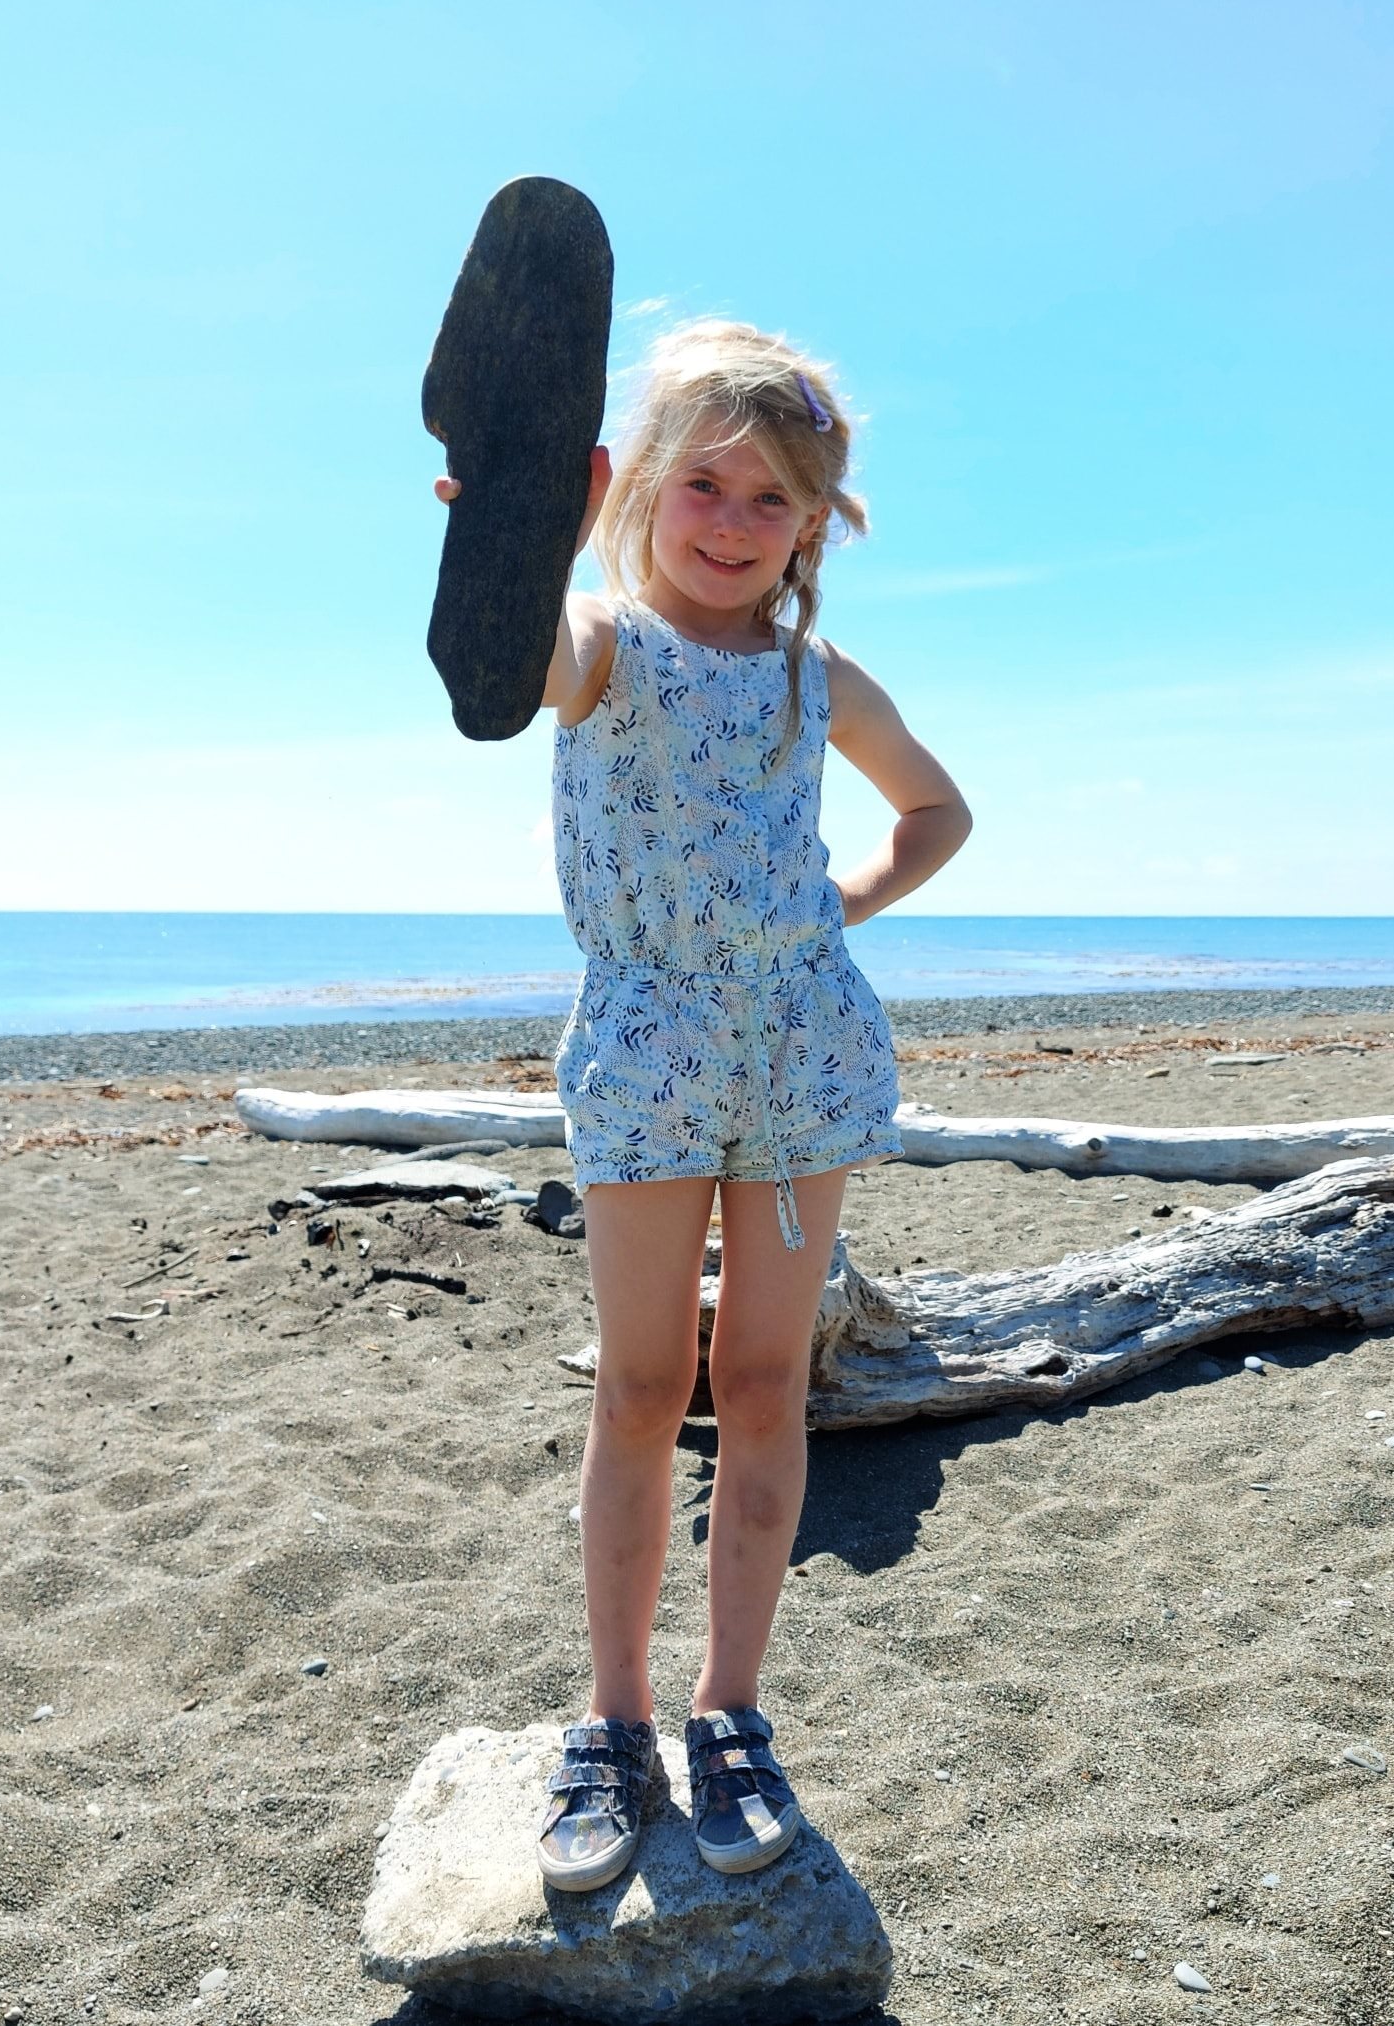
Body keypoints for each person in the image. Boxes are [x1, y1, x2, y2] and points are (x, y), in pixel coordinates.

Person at [434, 319, 970, 1890]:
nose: (734, 524)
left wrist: (829, 915)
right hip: (647, 1052)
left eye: (771, 500)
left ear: (813, 524)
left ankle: (730, 1709)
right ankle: (609, 1720)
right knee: (636, 1381)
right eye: (708, 487)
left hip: (804, 1054)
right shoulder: (602, 642)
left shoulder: (819, 678)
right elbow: (515, 656)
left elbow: (937, 809)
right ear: (642, 489)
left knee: (760, 1380)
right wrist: (507, 525)